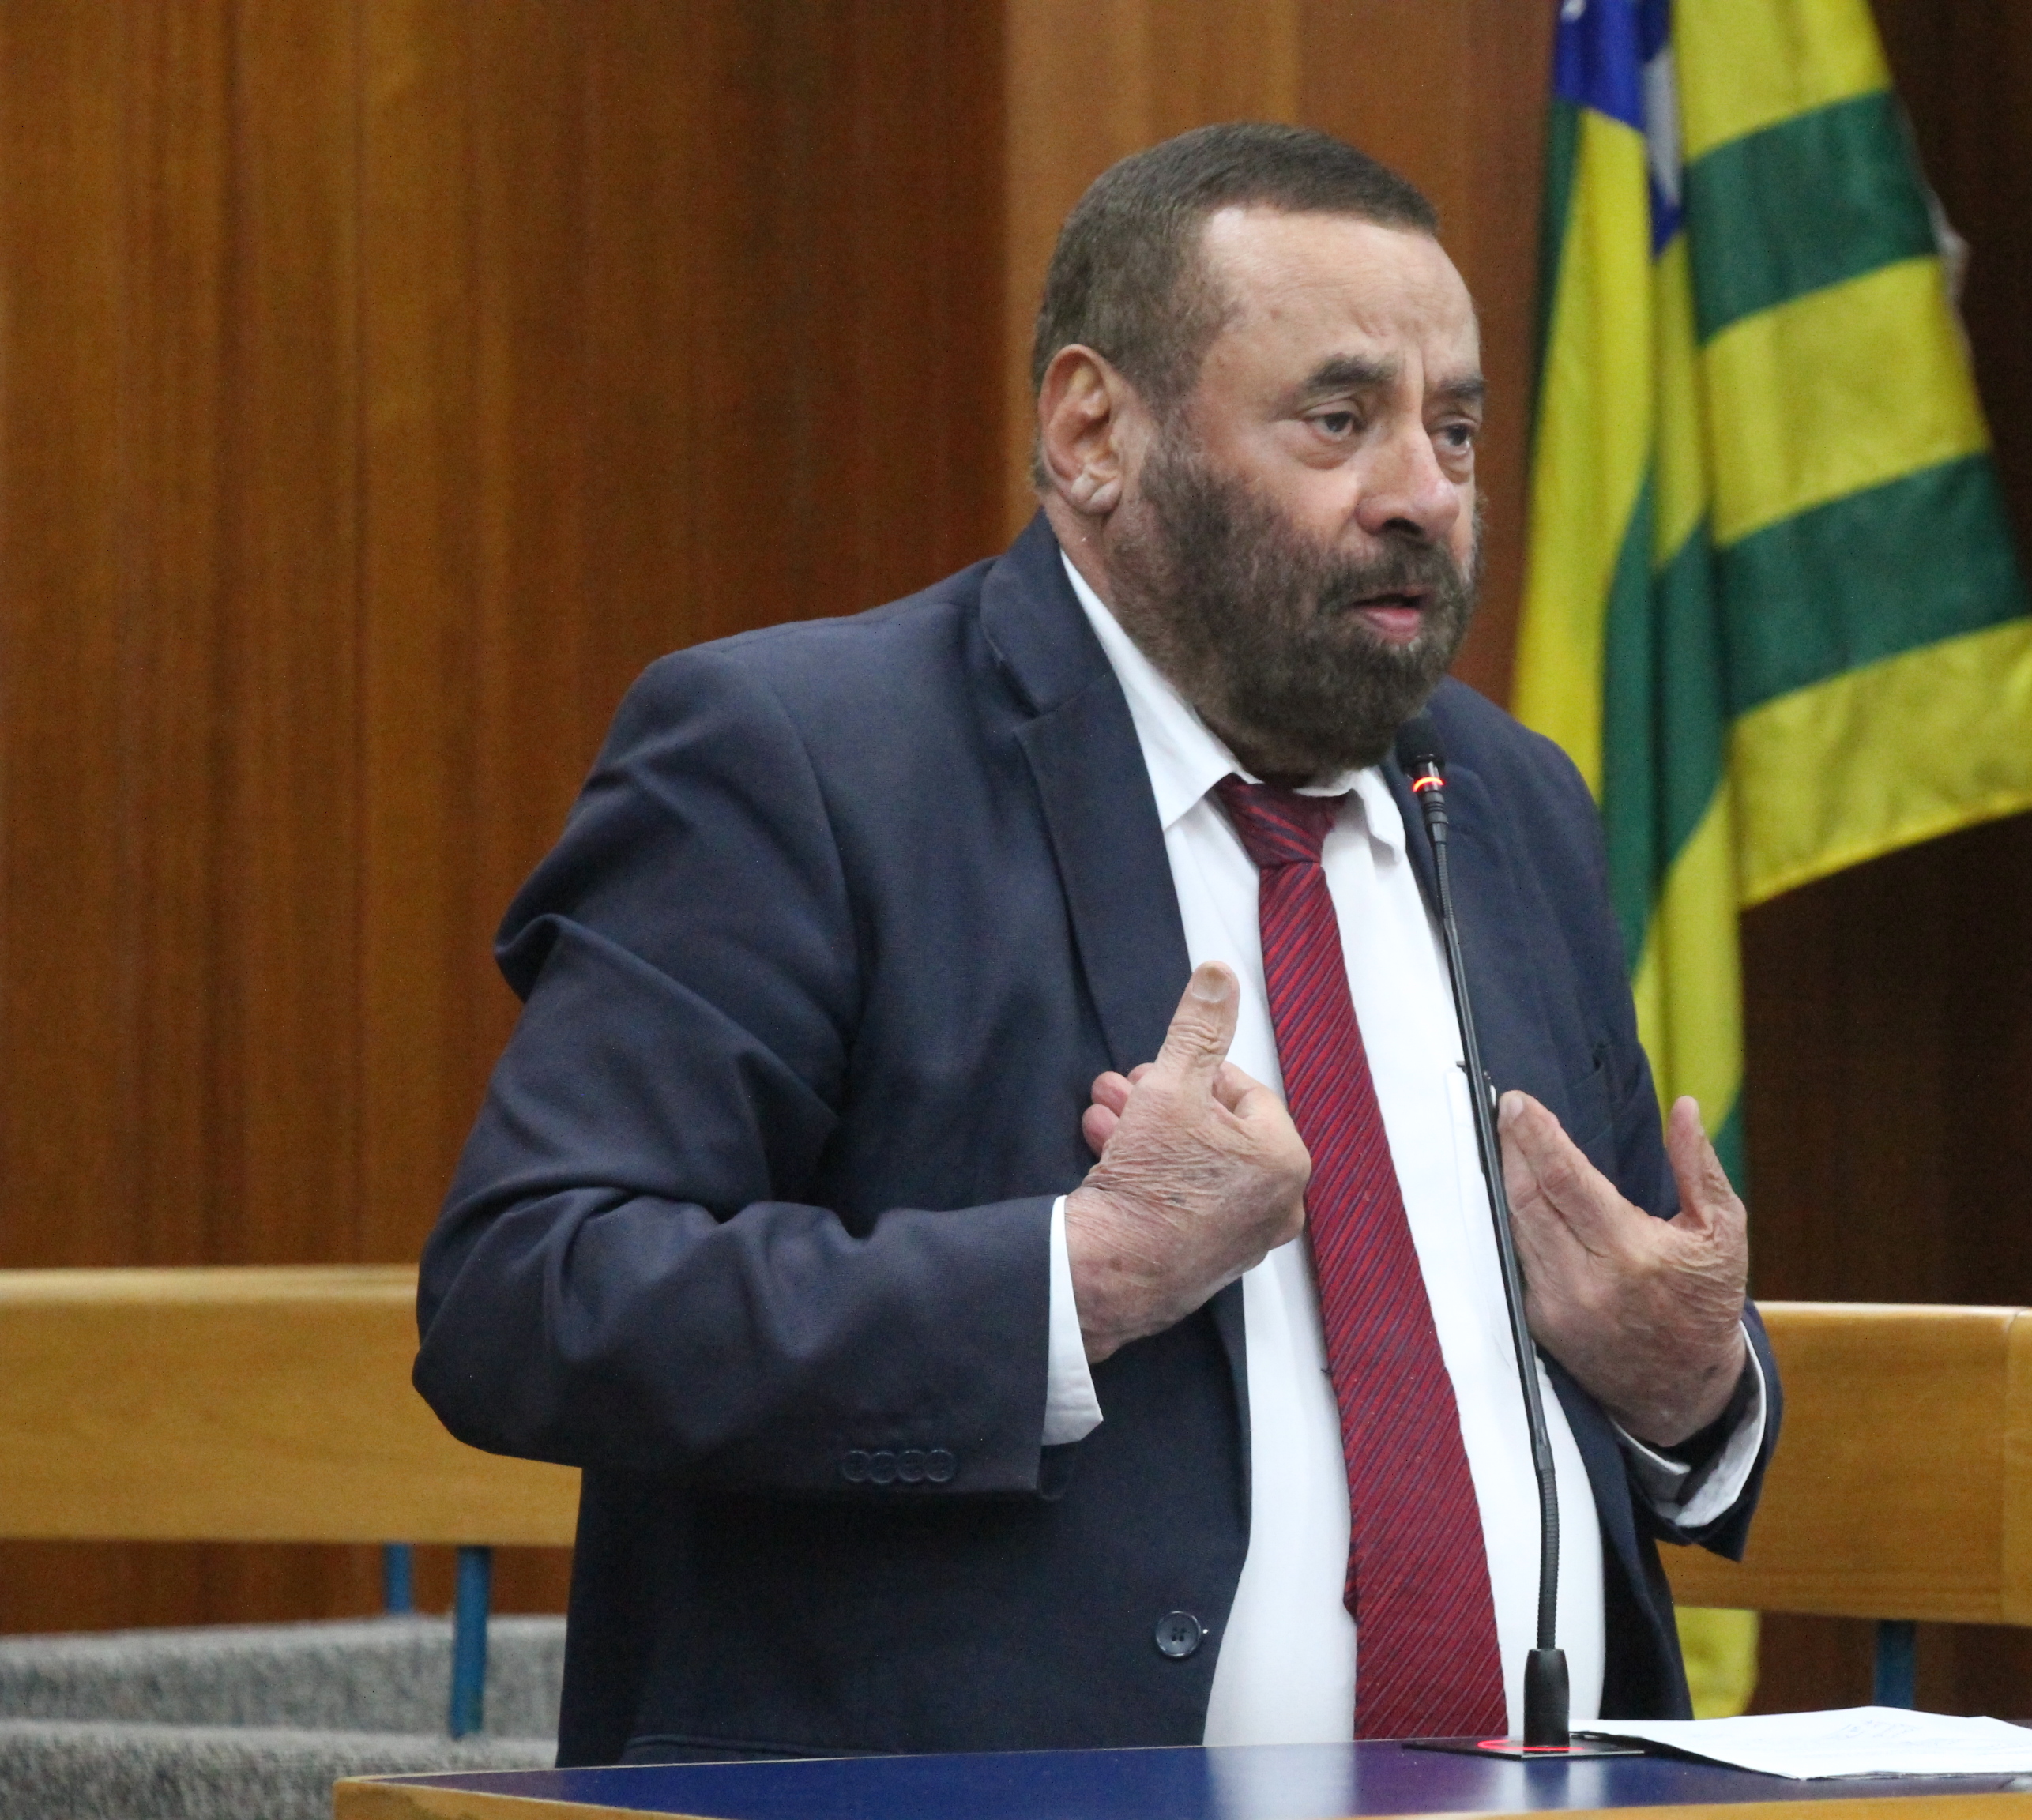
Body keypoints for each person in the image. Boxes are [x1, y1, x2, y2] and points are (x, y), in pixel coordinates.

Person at [415, 121, 1778, 1768]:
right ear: (1093, 433)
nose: (1425, 495)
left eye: (1459, 431)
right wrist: (1075, 1279)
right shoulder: (807, 761)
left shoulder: (1509, 801)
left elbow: (1612, 1322)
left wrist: (1690, 1384)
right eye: (1339, 421)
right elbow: (527, 1297)